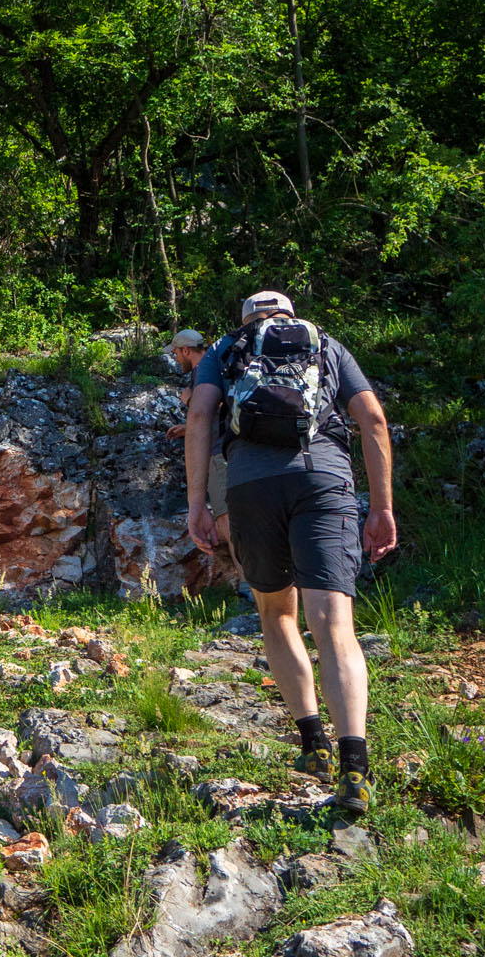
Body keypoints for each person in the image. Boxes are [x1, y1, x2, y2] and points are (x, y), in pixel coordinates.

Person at [184, 290, 398, 815]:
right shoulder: (325, 344)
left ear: (247, 320)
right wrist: (382, 507)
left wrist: (198, 505)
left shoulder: (226, 348)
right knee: (334, 622)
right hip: (323, 479)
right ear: (290, 316)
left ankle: (313, 746)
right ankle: (356, 768)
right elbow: (372, 418)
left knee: (277, 612)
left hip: (251, 487)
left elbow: (200, 417)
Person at [166, 331, 228, 542]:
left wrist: (191, 402)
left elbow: (218, 406)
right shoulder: (217, 363)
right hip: (224, 448)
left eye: (176, 353)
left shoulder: (204, 371)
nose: (175, 359)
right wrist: (189, 428)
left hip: (220, 452)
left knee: (226, 524)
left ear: (185, 350)